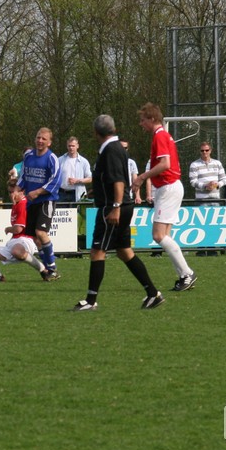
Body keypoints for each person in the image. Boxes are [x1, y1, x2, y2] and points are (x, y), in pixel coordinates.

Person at [73, 114, 165, 312]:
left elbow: (118, 181)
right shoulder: (116, 148)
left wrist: (115, 206)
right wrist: (98, 189)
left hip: (113, 208)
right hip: (122, 205)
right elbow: (113, 178)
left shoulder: (111, 150)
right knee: (124, 251)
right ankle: (153, 294)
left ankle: (90, 300)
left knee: (97, 251)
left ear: (96, 132)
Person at [131, 103, 196, 291]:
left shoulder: (160, 135)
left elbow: (165, 164)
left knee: (158, 235)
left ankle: (187, 273)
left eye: (143, 120)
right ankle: (184, 276)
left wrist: (142, 177)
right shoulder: (163, 135)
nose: (141, 124)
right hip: (170, 187)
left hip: (168, 187)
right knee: (164, 235)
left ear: (152, 119)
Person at [0, 179, 51, 282]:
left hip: (25, 240)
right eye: (9, 192)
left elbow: (18, 229)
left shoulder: (23, 204)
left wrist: (8, 229)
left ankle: (43, 270)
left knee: (17, 251)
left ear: (22, 192)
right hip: (13, 242)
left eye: (13, 192)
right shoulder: (16, 203)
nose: (11, 195)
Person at [17, 127, 61, 279]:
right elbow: (23, 176)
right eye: (38, 137)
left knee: (41, 233)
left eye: (44, 139)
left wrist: (37, 192)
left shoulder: (52, 158)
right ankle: (48, 270)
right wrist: (17, 190)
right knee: (35, 239)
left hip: (46, 201)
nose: (40, 141)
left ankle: (52, 268)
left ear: (49, 142)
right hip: (31, 202)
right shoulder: (28, 156)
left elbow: (55, 181)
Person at [188, 141, 226, 256]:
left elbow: (224, 179)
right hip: (201, 199)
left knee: (213, 225)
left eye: (206, 150)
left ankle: (212, 249)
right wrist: (205, 186)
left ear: (210, 151)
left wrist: (216, 185)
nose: (204, 152)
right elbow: (193, 181)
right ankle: (200, 250)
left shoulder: (217, 163)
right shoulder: (194, 165)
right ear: (199, 151)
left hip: (215, 199)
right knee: (200, 225)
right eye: (202, 150)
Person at [57, 136, 92, 203]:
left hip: (77, 194)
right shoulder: (60, 160)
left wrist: (77, 180)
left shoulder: (83, 161)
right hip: (61, 193)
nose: (71, 148)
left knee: (77, 210)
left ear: (77, 146)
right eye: (69, 146)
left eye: (73, 146)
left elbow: (90, 179)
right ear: (67, 146)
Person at [120, 140, 142, 204]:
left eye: (125, 148)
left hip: (127, 196)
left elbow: (135, 181)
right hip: (113, 197)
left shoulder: (131, 163)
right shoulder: (110, 162)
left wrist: (137, 196)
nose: (123, 150)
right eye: (121, 148)